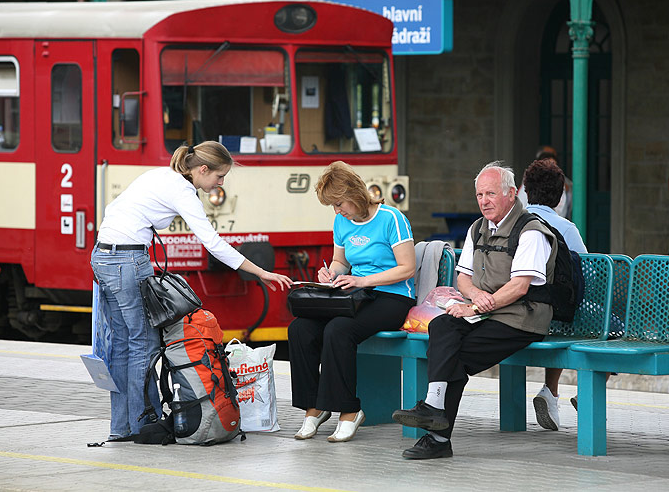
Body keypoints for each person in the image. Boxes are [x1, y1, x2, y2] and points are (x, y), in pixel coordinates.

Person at [90, 141, 292, 441]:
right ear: (203, 169)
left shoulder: (159, 175)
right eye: (219, 176)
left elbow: (112, 209)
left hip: (103, 255)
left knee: (121, 346)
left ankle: (122, 428)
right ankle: (143, 425)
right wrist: (261, 272)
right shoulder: (182, 191)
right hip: (128, 260)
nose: (220, 183)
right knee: (144, 344)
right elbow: (213, 243)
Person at [392, 161, 557, 459]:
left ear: (511, 194)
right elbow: (463, 278)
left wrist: (479, 304)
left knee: (452, 355)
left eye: (490, 194)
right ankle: (434, 408)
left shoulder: (531, 231)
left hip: (522, 318)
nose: (484, 201)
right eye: (480, 195)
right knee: (441, 326)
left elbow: (520, 287)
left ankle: (438, 436)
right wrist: (476, 296)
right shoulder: (477, 228)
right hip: (485, 313)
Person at [288, 161, 416, 443]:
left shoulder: (391, 218)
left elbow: (407, 268)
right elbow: (341, 262)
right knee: (300, 328)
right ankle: (315, 406)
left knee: (339, 329)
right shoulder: (341, 222)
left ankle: (349, 411)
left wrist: (363, 281)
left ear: (354, 193)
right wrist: (330, 273)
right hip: (355, 295)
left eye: (338, 204)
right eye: (332, 206)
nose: (337, 211)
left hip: (393, 296)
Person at [522, 158, 590, 431]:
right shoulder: (566, 228)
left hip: (516, 309)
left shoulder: (511, 223)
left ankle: (551, 393)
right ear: (560, 196)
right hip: (555, 315)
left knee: (559, 315)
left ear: (526, 191)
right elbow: (589, 274)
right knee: (611, 326)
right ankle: (587, 394)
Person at [517, 145, 573, 219]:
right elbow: (520, 209)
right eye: (547, 166)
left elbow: (562, 211)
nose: (551, 169)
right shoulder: (528, 185)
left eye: (554, 166)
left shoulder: (560, 185)